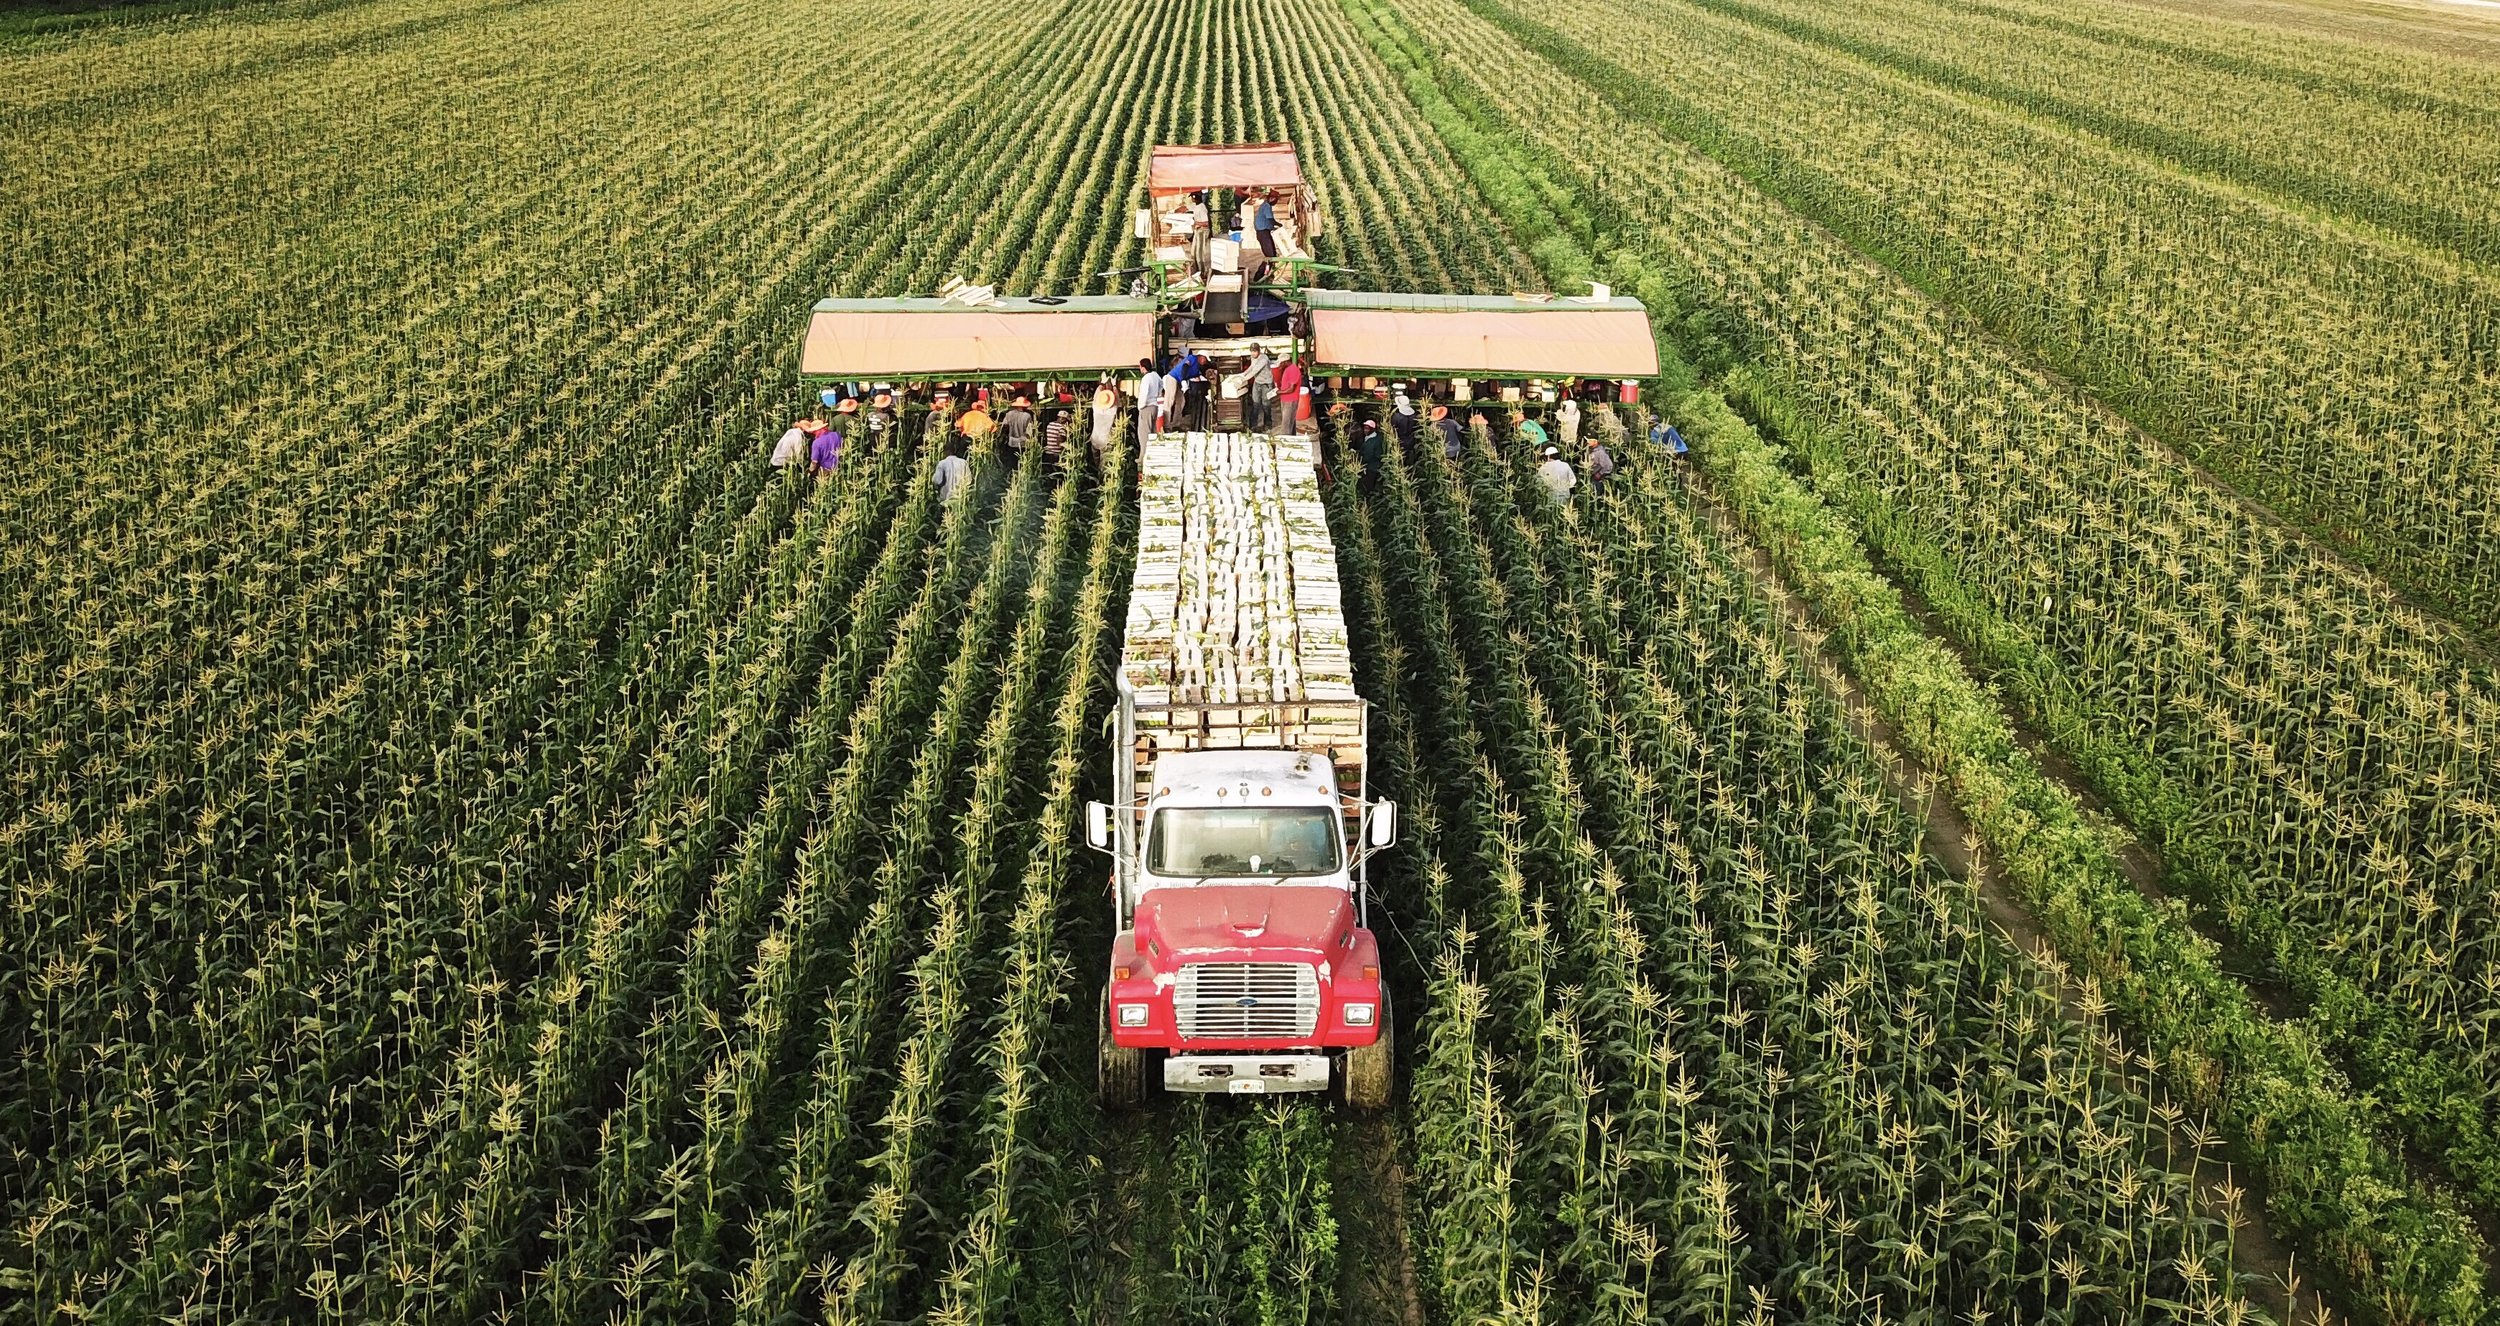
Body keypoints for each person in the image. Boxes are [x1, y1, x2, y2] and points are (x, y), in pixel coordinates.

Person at [1242, 349, 1276, 432]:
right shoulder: (1253, 357)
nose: (1253, 353)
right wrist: (1242, 374)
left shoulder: (1264, 359)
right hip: (1257, 382)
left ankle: (1268, 424)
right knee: (1255, 403)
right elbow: (1251, 367)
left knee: (1266, 404)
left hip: (1266, 384)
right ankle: (1253, 425)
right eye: (1251, 351)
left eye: (1255, 351)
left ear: (1259, 351)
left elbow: (1254, 371)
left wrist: (1242, 380)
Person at [934, 438, 972, 504]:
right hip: (961, 499)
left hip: (946, 500)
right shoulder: (963, 462)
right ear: (954, 451)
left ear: (945, 452)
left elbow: (938, 481)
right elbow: (969, 480)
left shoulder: (942, 463)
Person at [1275, 355, 1306, 435]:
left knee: (1286, 424)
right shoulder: (1288, 369)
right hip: (1286, 400)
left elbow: (1291, 389)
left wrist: (1279, 392)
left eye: (1281, 363)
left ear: (1285, 362)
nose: (1280, 365)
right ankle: (1291, 437)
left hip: (1290, 400)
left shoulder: (1293, 370)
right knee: (1290, 422)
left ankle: (1285, 440)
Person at [1134, 358, 1164, 440]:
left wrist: (1140, 406)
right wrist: (1158, 393)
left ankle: (1144, 452)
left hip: (1146, 407)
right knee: (1153, 432)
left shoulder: (1146, 378)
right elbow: (1162, 384)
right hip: (1155, 406)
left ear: (1143, 368)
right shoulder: (1155, 375)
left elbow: (1144, 393)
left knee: (1144, 434)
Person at [1187, 190, 1212, 279]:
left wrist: (1195, 223)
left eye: (1193, 197)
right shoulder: (1195, 206)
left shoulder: (1202, 208)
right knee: (1193, 251)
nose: (1192, 199)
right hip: (1197, 230)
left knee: (1199, 253)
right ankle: (1196, 270)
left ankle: (1202, 272)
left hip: (1203, 231)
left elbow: (1206, 223)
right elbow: (1186, 208)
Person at [1092, 379, 1118, 455]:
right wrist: (1114, 386)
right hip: (1107, 440)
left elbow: (1096, 396)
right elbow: (1117, 399)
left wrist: (1102, 383)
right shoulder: (1112, 410)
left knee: (1095, 457)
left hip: (1095, 438)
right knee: (1105, 461)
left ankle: (1096, 466)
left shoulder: (1096, 407)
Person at [1391, 392, 1419, 456]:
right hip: (1411, 441)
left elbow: (1392, 428)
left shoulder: (1396, 417)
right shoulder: (1414, 416)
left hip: (1400, 441)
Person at [1253, 189, 1279, 260]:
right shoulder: (1267, 206)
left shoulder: (1265, 204)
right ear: (1271, 198)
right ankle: (1266, 269)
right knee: (1270, 255)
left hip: (1263, 232)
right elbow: (1271, 220)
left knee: (1270, 252)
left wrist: (1274, 227)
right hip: (1263, 232)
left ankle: (1267, 268)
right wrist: (1278, 225)